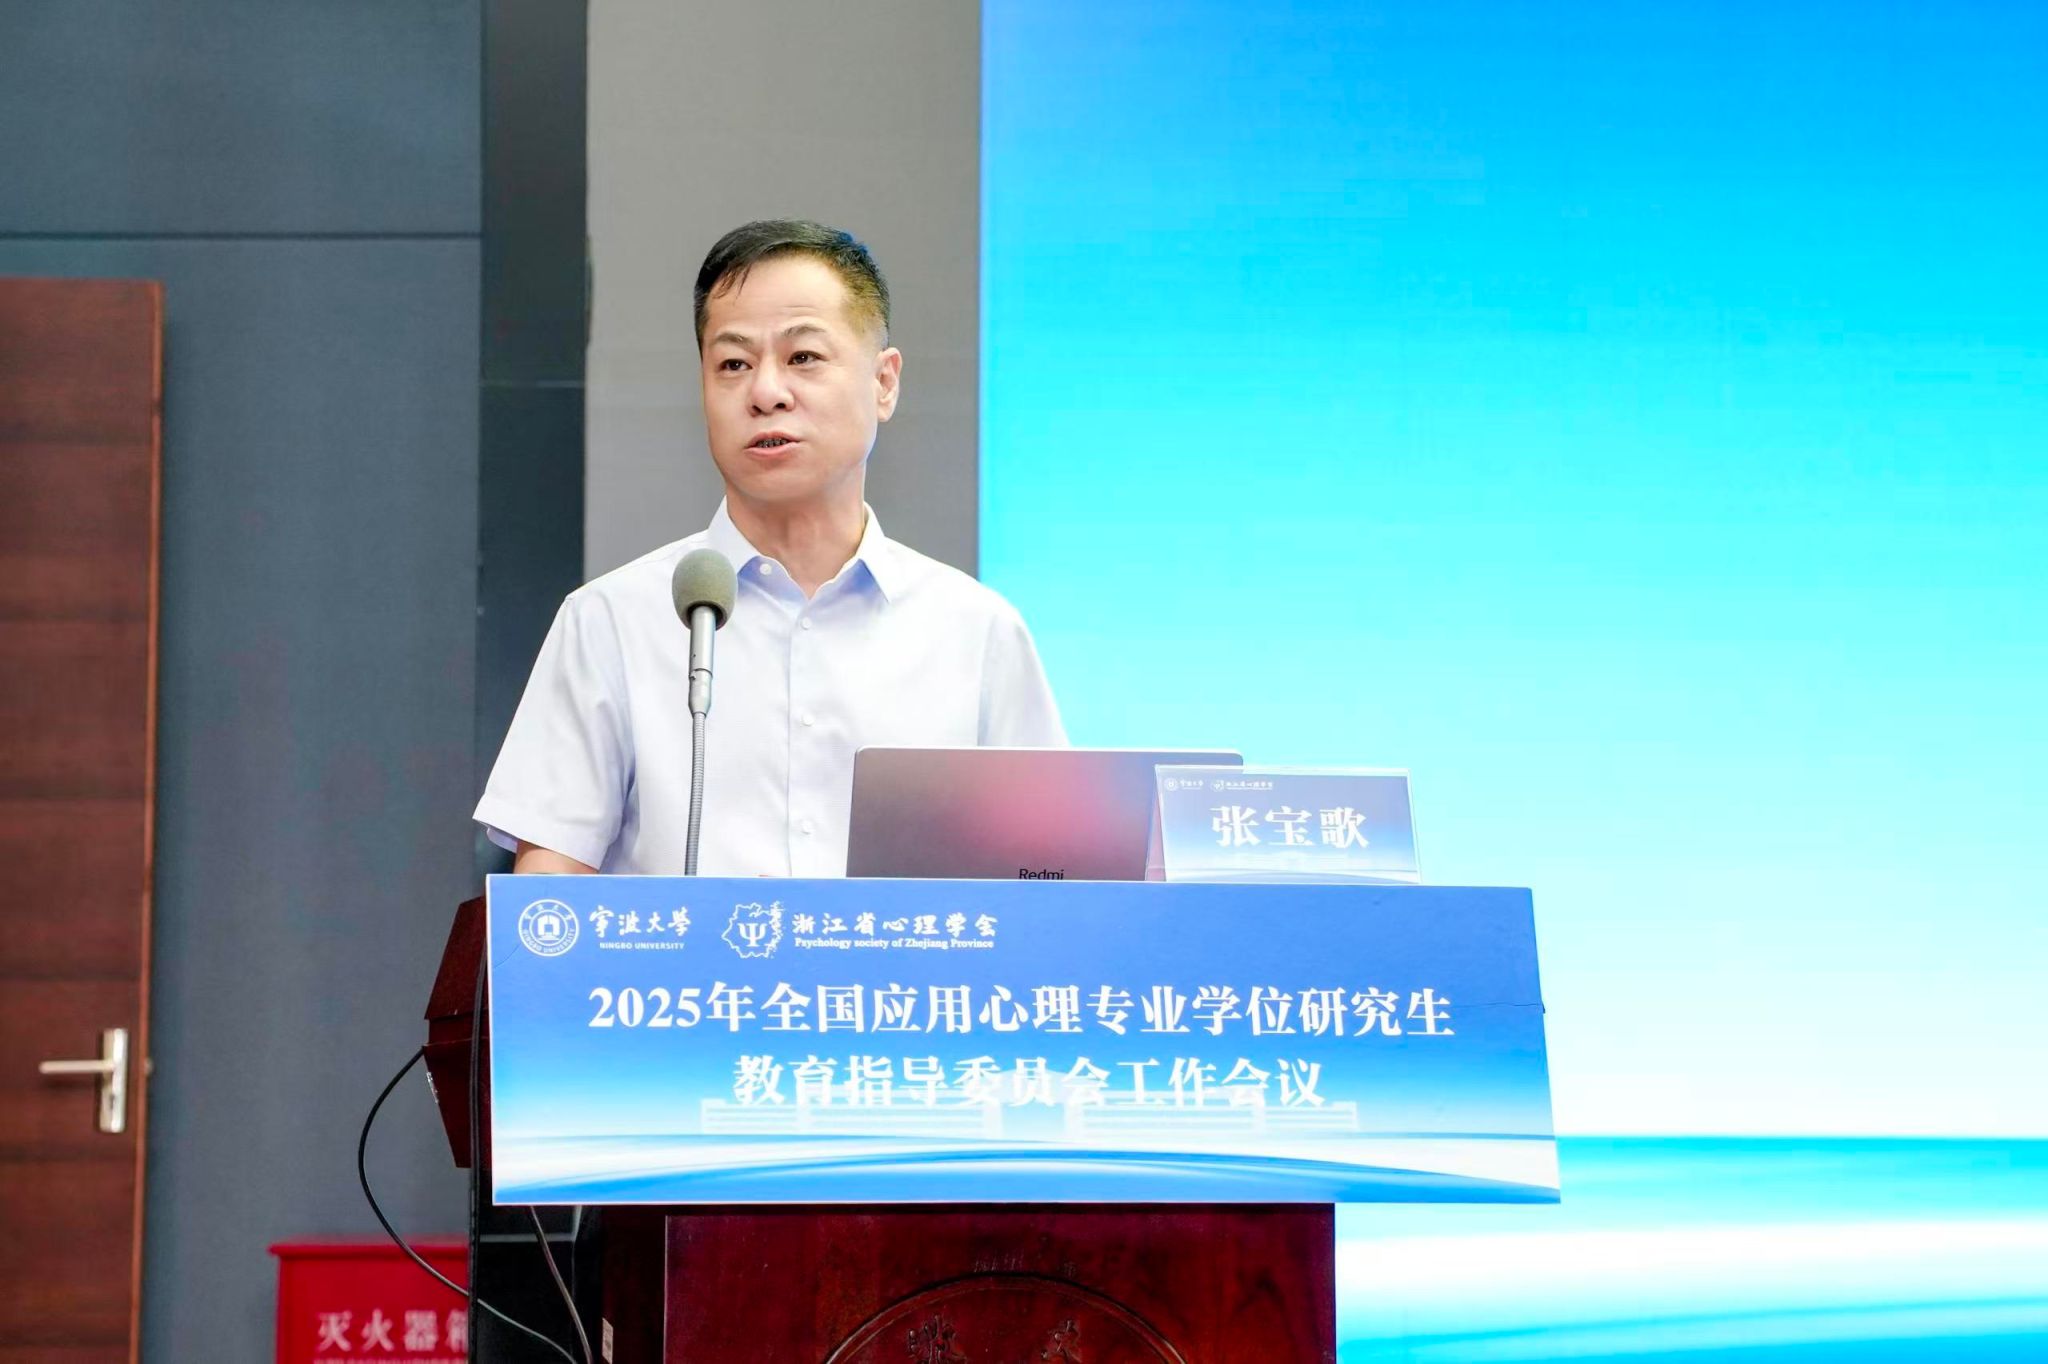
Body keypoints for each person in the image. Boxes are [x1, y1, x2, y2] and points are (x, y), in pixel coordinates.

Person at [475, 220, 1066, 876]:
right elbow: (549, 903)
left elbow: (1051, 882)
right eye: (733, 364)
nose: (765, 393)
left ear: (884, 383)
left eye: (803, 357)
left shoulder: (976, 632)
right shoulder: (611, 621)